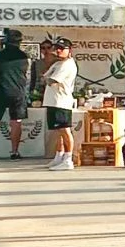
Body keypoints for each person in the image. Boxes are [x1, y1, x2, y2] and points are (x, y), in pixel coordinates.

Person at [0, 29, 34, 161]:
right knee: (16, 122)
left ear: (5, 41)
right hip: (18, 91)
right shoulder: (25, 57)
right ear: (19, 42)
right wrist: (29, 92)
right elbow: (31, 77)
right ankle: (14, 152)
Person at [41, 38, 79, 171]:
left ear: (69, 50)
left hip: (61, 101)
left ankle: (68, 159)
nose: (58, 51)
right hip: (53, 100)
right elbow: (44, 76)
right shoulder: (57, 64)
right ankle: (59, 156)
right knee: (58, 132)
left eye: (62, 49)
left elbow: (52, 80)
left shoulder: (67, 65)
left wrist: (47, 78)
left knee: (65, 130)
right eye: (57, 48)